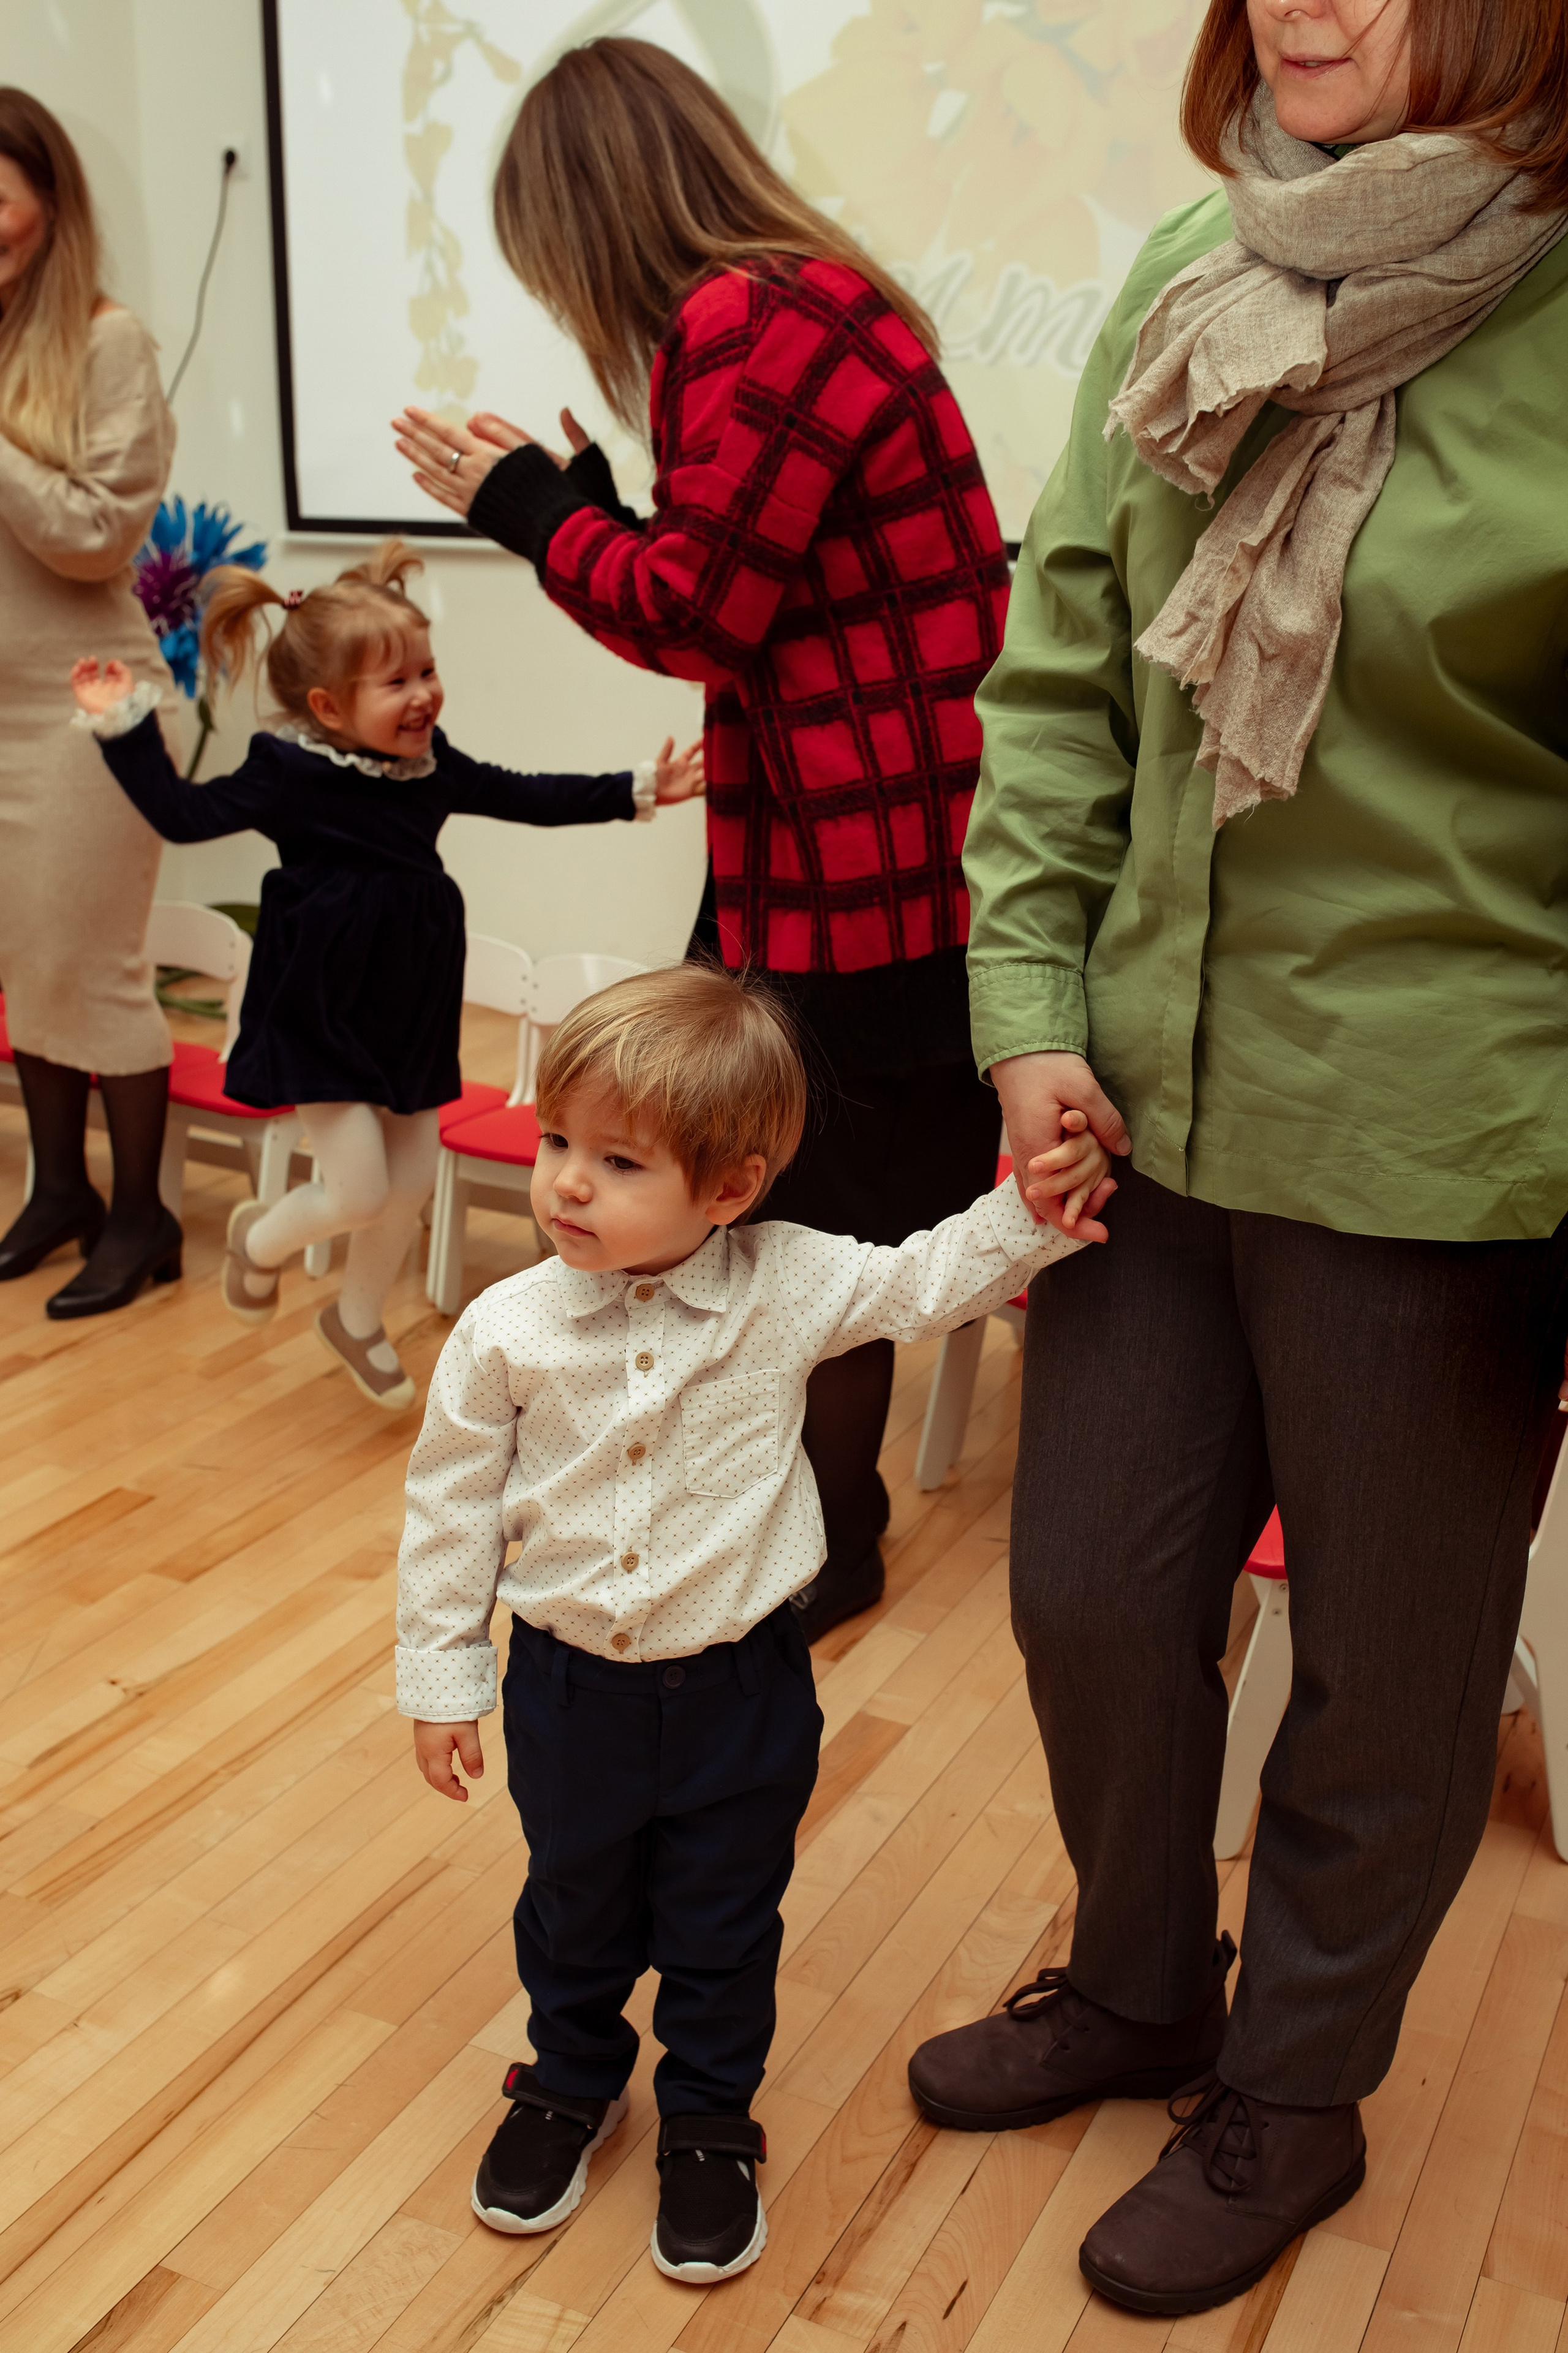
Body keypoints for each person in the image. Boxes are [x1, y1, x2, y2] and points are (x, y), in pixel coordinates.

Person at [906, 0, 1568, 2318]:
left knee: (1385, 1681)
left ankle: (1290, 2085)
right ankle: (1138, 1980)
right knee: (1088, 1588)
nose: (1310, 1)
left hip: (1444, 1134)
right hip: (1143, 1109)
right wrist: (1025, 1018)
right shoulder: (1204, 268)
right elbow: (1064, 659)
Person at [390, 35, 1014, 1641]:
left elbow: (696, 608)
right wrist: (595, 495)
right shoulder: (798, 302)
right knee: (746, 1164)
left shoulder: (751, 319)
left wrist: (531, 505)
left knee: (808, 1200)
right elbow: (744, 572)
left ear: (590, 217)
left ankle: (826, 1535)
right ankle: (751, 1503)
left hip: (858, 870)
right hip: (842, 853)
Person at [396, 963, 1108, 2283]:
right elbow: (449, 1506)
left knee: (725, 1920)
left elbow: (924, 1279)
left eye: (616, 1161)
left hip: (741, 1694)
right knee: (574, 1903)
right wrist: (442, 1676)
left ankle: (710, 2118)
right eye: (558, 1142)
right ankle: (569, 2078)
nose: (562, 1182)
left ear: (728, 1188)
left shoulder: (787, 1282)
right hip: (567, 1690)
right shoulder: (506, 1326)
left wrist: (1033, 1211)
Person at [70, 540, 703, 1409]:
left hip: (409, 995)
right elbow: (183, 816)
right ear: (328, 706)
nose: (424, 695)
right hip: (319, 1001)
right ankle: (260, 1243)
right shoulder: (286, 769)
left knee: (408, 1181)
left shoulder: (427, 762)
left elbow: (523, 792)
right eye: (397, 682)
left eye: (428, 670)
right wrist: (125, 725)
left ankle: (357, 1317)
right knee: (359, 1184)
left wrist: (638, 788)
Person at [0, 88, 179, 1320]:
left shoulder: (111, 343)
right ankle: (58, 1188)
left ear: (47, 203)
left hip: (86, 709)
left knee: (96, 968)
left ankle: (142, 1214)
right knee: (32, 967)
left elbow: (91, 535)